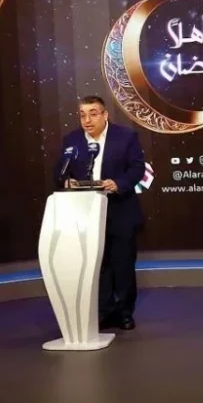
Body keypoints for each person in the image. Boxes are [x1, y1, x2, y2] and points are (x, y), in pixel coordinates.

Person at [54, 96, 146, 330]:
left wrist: (118, 183)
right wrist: (66, 181)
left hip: (120, 209)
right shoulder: (72, 140)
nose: (87, 120)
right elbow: (60, 170)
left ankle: (124, 312)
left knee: (122, 264)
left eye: (93, 113)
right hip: (86, 213)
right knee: (97, 264)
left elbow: (137, 168)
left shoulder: (126, 137)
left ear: (105, 115)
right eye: (82, 115)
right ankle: (103, 311)